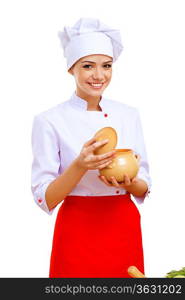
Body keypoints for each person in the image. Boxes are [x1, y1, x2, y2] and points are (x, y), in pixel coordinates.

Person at [31, 18, 151, 278]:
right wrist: (80, 165)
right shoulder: (49, 121)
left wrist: (129, 182)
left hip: (123, 224)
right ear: (71, 69)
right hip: (77, 228)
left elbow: (144, 186)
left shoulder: (129, 115)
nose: (99, 75)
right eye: (88, 66)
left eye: (106, 66)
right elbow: (46, 198)